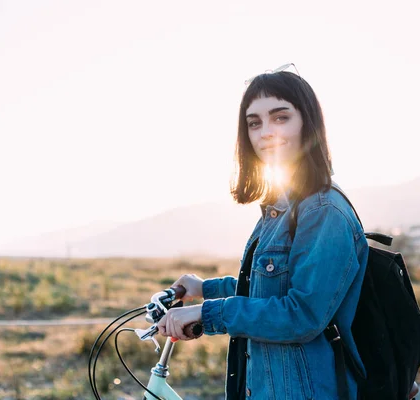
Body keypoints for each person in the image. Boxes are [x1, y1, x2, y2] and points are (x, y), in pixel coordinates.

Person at [156, 67, 401, 399]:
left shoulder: (322, 210)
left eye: (280, 117)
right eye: (254, 123)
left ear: (307, 123)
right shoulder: (282, 207)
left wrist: (206, 313)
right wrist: (203, 289)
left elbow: (302, 315)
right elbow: (268, 290)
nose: (265, 132)